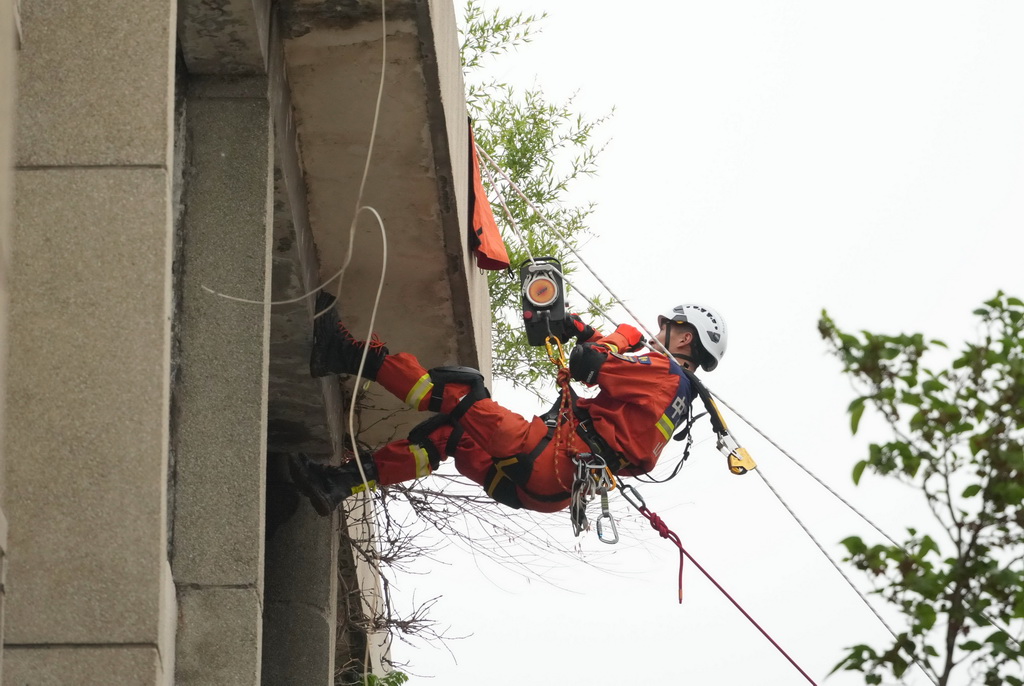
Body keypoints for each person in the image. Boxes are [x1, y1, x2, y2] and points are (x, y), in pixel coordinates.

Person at [289, 292, 728, 516]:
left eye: (667, 328)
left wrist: (620, 337)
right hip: (547, 491)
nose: (655, 335)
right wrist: (579, 329)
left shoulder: (663, 371)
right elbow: (613, 388)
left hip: (547, 458)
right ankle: (337, 484)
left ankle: (341, 354)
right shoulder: (678, 400)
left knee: (460, 390)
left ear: (685, 337)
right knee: (449, 434)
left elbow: (588, 363)